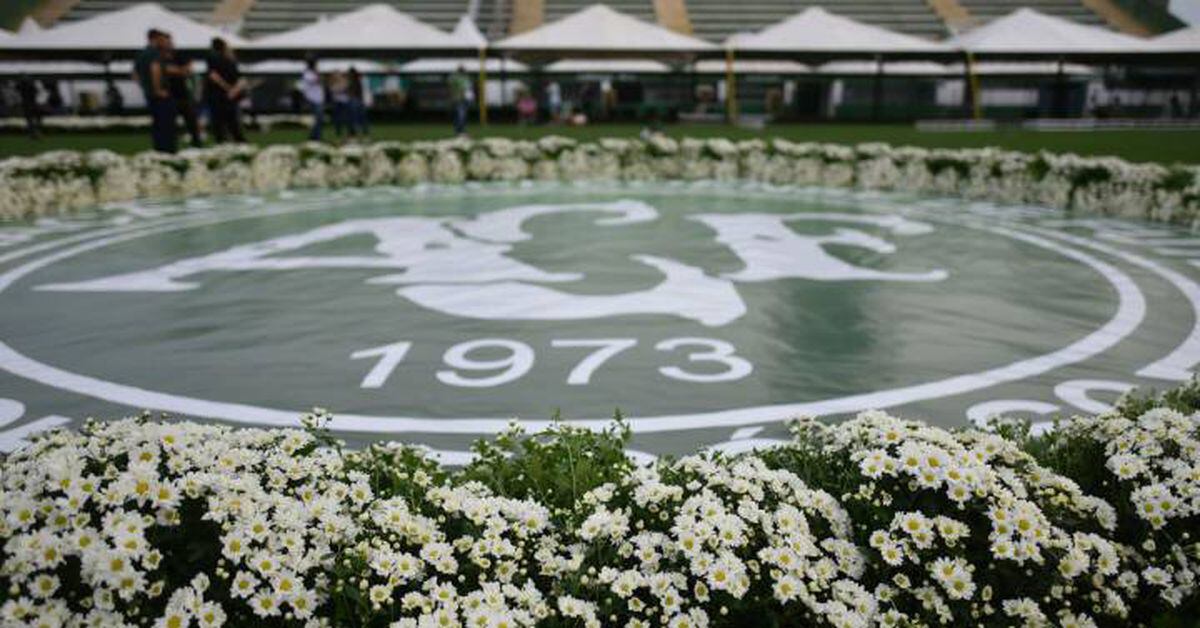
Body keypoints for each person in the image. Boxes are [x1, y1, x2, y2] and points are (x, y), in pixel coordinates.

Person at [134, 28, 176, 153]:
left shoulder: (141, 54)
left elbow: (135, 75)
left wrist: (146, 87)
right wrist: (157, 89)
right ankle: (168, 151)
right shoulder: (154, 53)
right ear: (155, 39)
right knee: (166, 126)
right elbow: (155, 69)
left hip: (150, 96)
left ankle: (159, 151)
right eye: (161, 39)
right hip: (161, 96)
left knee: (157, 126)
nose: (164, 42)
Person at [204, 37, 246, 143]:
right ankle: (238, 141)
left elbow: (213, 76)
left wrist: (227, 88)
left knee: (219, 122)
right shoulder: (231, 60)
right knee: (232, 121)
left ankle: (223, 141)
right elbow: (240, 79)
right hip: (230, 95)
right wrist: (233, 90)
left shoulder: (213, 58)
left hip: (217, 94)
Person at [162, 34, 201, 147]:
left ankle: (196, 143)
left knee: (191, 120)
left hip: (183, 94)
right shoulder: (160, 57)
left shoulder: (179, 55)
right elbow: (168, 70)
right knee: (170, 123)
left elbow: (188, 70)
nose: (168, 44)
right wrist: (180, 70)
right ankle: (171, 144)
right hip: (169, 95)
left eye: (169, 42)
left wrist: (175, 70)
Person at [299, 57, 324, 141]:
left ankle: (316, 136)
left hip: (318, 99)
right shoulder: (308, 73)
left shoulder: (312, 73)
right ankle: (314, 137)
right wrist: (317, 72)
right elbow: (317, 80)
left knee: (318, 119)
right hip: (313, 99)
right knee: (317, 119)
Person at [448, 65, 471, 136]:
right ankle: (460, 131)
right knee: (461, 115)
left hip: (462, 99)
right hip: (459, 99)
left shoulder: (464, 78)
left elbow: (467, 88)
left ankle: (459, 131)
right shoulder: (457, 78)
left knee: (460, 115)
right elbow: (453, 86)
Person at [328, 70, 350, 139]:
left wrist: (339, 87)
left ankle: (348, 132)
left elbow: (344, 87)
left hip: (344, 101)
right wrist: (339, 87)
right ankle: (338, 132)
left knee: (346, 117)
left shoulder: (344, 81)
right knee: (337, 118)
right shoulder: (332, 82)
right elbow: (333, 90)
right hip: (337, 101)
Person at [347, 66, 368, 138]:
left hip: (355, 100)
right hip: (357, 101)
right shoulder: (357, 80)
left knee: (354, 118)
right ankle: (361, 132)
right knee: (360, 118)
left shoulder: (353, 81)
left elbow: (352, 92)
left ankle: (354, 133)